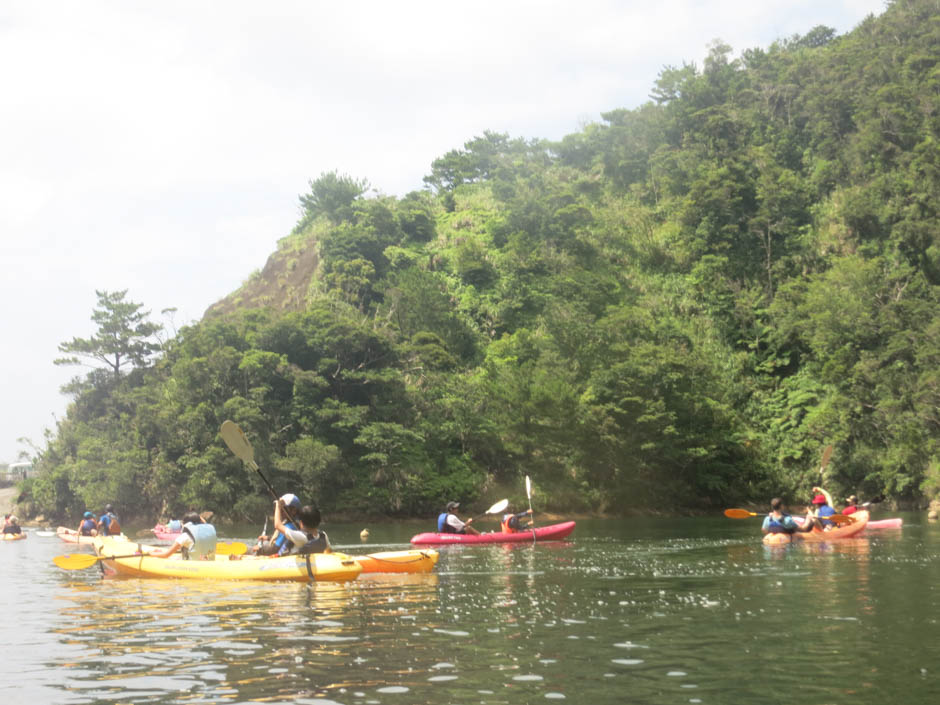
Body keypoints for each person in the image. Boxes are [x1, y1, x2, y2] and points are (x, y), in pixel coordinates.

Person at [149, 511, 217, 560]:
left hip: (193, 568)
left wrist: (151, 554)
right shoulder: (208, 531)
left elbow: (166, 555)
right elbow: (203, 522)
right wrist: (196, 516)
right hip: (208, 564)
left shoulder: (185, 536)